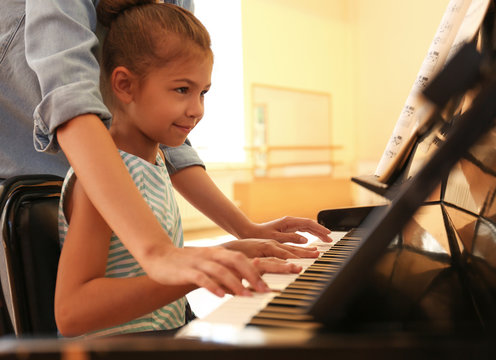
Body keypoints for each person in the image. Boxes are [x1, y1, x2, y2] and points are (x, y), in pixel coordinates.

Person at [0, 0, 332, 296]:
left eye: (203, 93)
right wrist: (160, 253)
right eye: (184, 90)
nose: (198, 109)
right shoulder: (98, 183)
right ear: (124, 85)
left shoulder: (154, 166)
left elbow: (171, 138)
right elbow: (70, 100)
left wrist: (242, 233)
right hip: (38, 177)